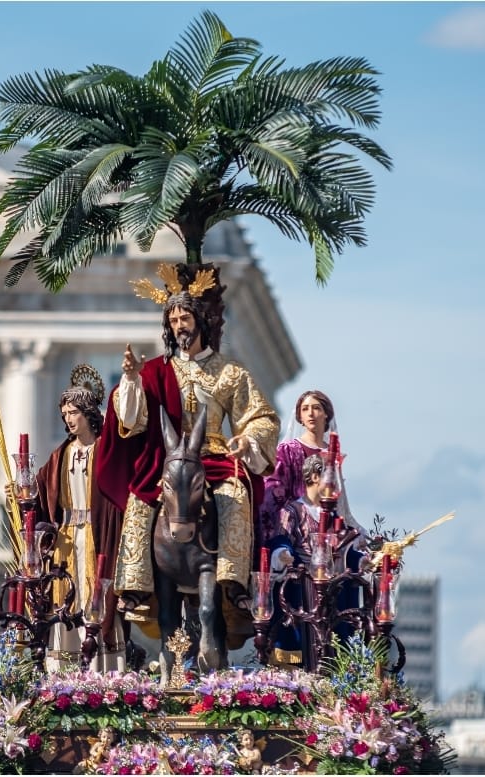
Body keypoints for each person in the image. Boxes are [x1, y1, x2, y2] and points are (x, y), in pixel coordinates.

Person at [95, 262, 280, 621]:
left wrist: (246, 440)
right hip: (168, 459)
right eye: (173, 320)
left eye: (185, 318)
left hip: (213, 455)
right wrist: (131, 380)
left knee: (235, 496)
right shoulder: (156, 370)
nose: (179, 326)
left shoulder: (230, 372)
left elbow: (259, 416)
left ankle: (233, 583)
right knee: (139, 501)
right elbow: (131, 419)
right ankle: (136, 587)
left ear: (200, 321)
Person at [26, 365, 127, 671]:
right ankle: (65, 672)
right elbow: (39, 495)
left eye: (74, 412)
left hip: (98, 536)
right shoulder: (60, 455)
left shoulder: (105, 451)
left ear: (88, 413)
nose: (69, 419)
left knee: (98, 599)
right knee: (65, 600)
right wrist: (21, 493)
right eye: (65, 413)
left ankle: (102, 669)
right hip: (67, 539)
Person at [267, 453, 366, 668]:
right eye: (330, 480)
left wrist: (361, 561)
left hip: (331, 592)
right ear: (313, 476)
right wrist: (283, 553)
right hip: (302, 589)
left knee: (332, 643)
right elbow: (281, 538)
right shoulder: (292, 511)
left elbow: (344, 549)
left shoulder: (333, 517)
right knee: (303, 643)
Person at [259, 390, 366, 547]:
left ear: (326, 414)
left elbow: (339, 500)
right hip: (295, 529)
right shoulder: (287, 450)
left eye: (316, 408)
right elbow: (273, 493)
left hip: (328, 529)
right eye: (305, 409)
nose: (310, 413)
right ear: (300, 418)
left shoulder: (332, 453)